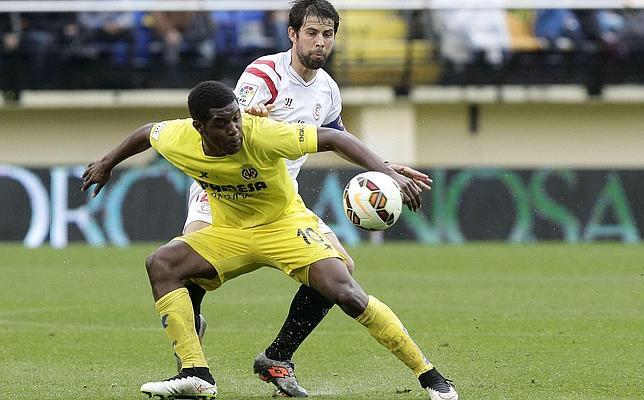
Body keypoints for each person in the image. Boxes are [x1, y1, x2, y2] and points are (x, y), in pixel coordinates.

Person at [81, 80, 459, 400]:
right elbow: (145, 132)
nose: (234, 130)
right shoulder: (177, 136)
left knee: (345, 290)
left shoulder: (261, 134)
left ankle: (430, 377)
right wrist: (106, 163)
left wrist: (387, 171)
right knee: (161, 263)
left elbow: (330, 138)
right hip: (228, 233)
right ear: (198, 127)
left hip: (284, 226)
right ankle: (196, 374)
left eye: (236, 119)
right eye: (222, 124)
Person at [180, 1, 432, 396]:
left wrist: (386, 167)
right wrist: (251, 113)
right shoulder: (265, 73)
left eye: (327, 34)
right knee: (189, 267)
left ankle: (277, 358)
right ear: (292, 34)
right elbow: (233, 116)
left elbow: (338, 141)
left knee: (341, 269)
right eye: (311, 33)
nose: (320, 42)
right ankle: (190, 363)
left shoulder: (328, 89)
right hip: (224, 191)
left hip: (279, 201)